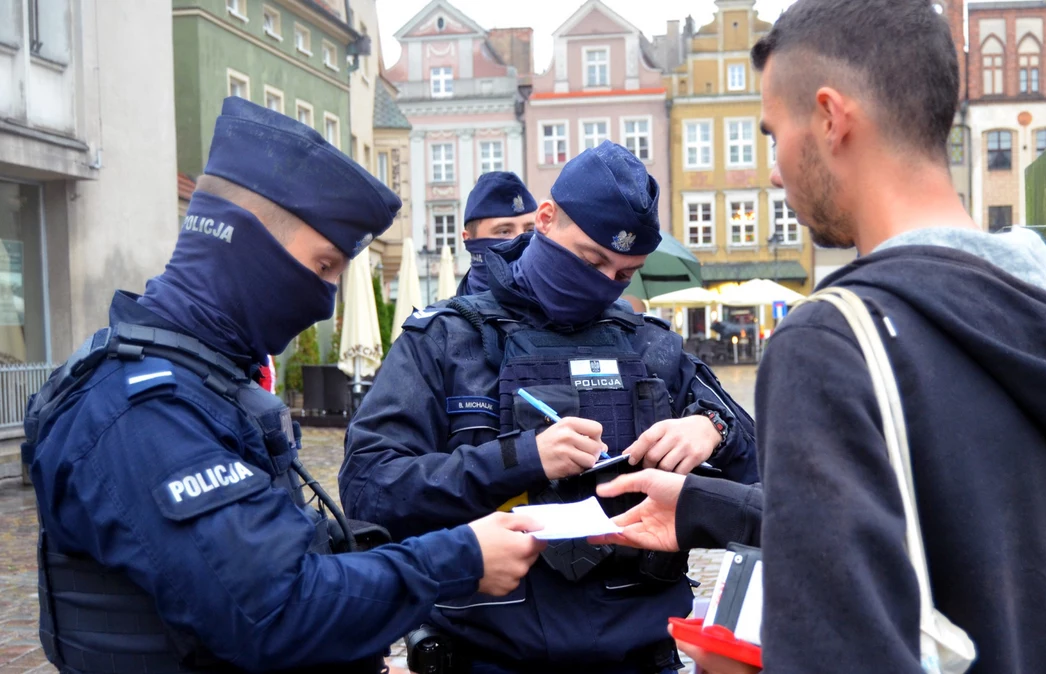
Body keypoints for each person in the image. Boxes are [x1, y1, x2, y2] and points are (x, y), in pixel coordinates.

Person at [597, 1, 1046, 673]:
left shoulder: (832, 341)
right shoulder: (1043, 315)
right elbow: (962, 536)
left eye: (774, 133)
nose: (774, 170)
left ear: (831, 118)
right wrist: (706, 506)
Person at [23, 98, 545, 674]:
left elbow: (269, 558)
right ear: (243, 245)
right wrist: (459, 559)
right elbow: (272, 608)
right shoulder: (144, 410)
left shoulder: (206, 383)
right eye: (322, 266)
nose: (324, 299)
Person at [340, 141, 760, 673]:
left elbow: (770, 488)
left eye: (624, 274)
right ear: (545, 218)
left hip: (639, 658)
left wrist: (714, 428)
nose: (605, 284)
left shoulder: (653, 347)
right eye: (591, 259)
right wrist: (518, 458)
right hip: (485, 658)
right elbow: (368, 488)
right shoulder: (446, 340)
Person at [456, 171, 538, 296]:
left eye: (529, 230)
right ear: (469, 239)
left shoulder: (560, 309)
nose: (521, 239)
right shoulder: (446, 315)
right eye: (504, 231)